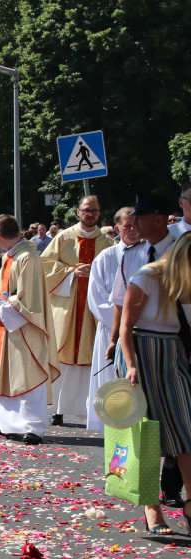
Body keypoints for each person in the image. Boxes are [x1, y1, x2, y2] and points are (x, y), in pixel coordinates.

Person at [107, 192, 186, 508]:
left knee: (181, 425)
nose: (133, 222)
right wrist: (113, 343)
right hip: (135, 348)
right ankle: (152, 506)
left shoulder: (180, 252)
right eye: (132, 217)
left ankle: (176, 489)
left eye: (140, 217)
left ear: (159, 218)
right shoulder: (130, 255)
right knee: (140, 429)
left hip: (174, 347)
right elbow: (118, 304)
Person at [117, 232, 191, 535]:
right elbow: (125, 326)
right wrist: (131, 365)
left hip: (173, 355)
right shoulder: (147, 277)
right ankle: (151, 508)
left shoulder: (184, 281)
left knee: (185, 431)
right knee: (144, 434)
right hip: (141, 354)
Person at [0, 214, 59, 445]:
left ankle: (33, 426)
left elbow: (29, 298)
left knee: (29, 372)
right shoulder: (10, 256)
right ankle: (5, 423)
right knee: (7, 373)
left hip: (27, 325)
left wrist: (2, 306)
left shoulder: (28, 257)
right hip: (8, 324)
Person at [41, 195, 114, 426]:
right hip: (66, 308)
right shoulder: (64, 237)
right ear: (78, 212)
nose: (90, 214)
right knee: (62, 355)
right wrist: (70, 272)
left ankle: (87, 409)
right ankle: (56, 409)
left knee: (90, 357)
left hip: (93, 311)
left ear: (99, 213)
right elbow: (44, 266)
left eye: (94, 210)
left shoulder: (106, 242)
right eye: (86, 210)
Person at [86, 207, 139, 431]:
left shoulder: (148, 253)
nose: (134, 230)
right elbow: (96, 299)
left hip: (141, 329)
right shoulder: (106, 258)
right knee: (111, 382)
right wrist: (122, 323)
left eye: (137, 224)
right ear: (117, 229)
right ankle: (109, 422)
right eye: (128, 226)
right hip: (111, 329)